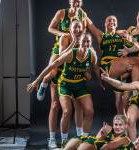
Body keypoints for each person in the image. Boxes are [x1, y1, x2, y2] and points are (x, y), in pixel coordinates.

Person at [27, 32, 96, 148]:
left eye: (88, 41)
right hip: (65, 84)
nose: (85, 44)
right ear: (79, 42)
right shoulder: (71, 53)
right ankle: (64, 141)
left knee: (90, 111)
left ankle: (83, 139)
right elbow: (52, 65)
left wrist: (91, 75)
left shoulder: (92, 55)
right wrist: (36, 81)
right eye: (83, 41)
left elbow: (90, 71)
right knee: (67, 111)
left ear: (91, 43)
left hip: (80, 85)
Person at [36, 0, 88, 148]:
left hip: (73, 57)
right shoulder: (62, 13)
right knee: (54, 101)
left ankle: (79, 138)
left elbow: (85, 32)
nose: (77, 2)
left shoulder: (83, 14)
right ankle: (44, 82)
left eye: (79, 0)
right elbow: (50, 28)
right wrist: (64, 33)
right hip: (61, 48)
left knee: (77, 105)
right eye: (75, 0)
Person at [86, 15, 139, 114]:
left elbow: (132, 49)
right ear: (105, 23)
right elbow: (90, 25)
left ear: (117, 24)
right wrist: (78, 9)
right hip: (108, 66)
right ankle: (137, 90)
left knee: (120, 99)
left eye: (114, 20)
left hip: (122, 67)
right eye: (109, 20)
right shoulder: (102, 36)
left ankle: (123, 122)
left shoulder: (123, 36)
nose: (111, 21)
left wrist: (127, 42)